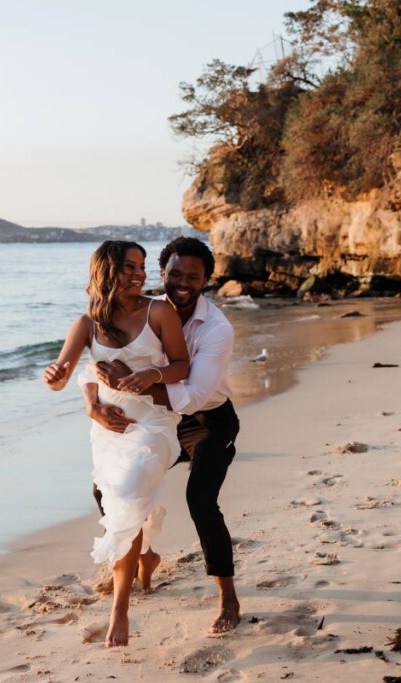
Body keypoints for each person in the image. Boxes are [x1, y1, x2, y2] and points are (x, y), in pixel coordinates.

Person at [84, 236, 241, 634]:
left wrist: (133, 383)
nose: (182, 282)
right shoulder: (143, 310)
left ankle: (228, 597)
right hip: (156, 414)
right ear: (163, 273)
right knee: (109, 487)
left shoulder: (216, 329)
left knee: (200, 500)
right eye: (175, 274)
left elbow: (191, 398)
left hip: (206, 421)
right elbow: (96, 361)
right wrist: (96, 404)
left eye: (193, 276)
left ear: (207, 279)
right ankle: (141, 554)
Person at [42, 240, 190, 648]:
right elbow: (69, 370)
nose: (140, 274)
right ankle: (146, 558)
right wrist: (61, 381)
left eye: (142, 266)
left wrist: (149, 377)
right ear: (107, 270)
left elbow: (182, 366)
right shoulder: (88, 323)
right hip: (108, 430)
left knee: (125, 496)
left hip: (153, 424)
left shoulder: (159, 311)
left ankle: (119, 610)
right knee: (125, 500)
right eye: (129, 267)